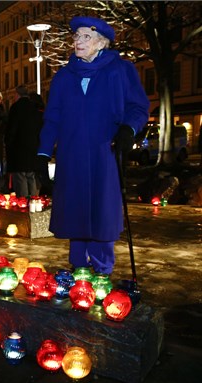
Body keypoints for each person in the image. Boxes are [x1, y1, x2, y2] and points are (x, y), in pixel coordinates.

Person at [36, 16, 150, 275]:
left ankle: (102, 270)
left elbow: (139, 107)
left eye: (86, 36)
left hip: (105, 152)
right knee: (75, 208)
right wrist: (43, 153)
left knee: (103, 210)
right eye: (76, 36)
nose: (78, 40)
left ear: (102, 42)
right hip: (72, 154)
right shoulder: (64, 76)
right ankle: (78, 267)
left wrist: (127, 129)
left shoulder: (120, 70)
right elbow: (52, 118)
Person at [4, 85, 42, 198]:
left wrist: (8, 142)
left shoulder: (16, 108)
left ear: (17, 94)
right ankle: (34, 201)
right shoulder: (33, 108)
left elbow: (12, 129)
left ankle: (23, 202)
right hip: (32, 148)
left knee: (21, 177)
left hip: (19, 149)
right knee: (30, 175)